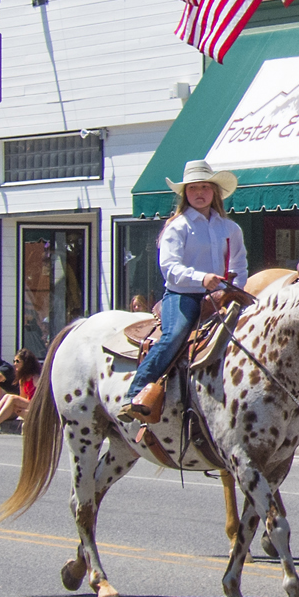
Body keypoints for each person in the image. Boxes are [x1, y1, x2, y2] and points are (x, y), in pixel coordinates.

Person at [120, 161, 249, 424]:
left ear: (214, 191)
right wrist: (202, 279)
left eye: (204, 187)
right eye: (193, 188)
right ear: (185, 193)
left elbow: (240, 264)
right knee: (175, 334)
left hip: (223, 296)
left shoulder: (230, 228)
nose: (199, 193)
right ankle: (135, 393)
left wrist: (235, 289)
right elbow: (170, 268)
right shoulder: (177, 226)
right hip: (183, 295)